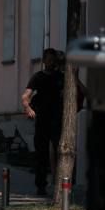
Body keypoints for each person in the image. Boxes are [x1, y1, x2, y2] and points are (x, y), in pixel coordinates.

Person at [22, 48, 68, 197]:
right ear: (43, 61)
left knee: (60, 151)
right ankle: (41, 186)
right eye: (48, 59)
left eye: (53, 60)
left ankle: (61, 184)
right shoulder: (38, 77)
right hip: (42, 119)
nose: (51, 62)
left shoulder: (61, 77)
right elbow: (26, 96)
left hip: (57, 119)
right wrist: (28, 108)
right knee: (41, 154)